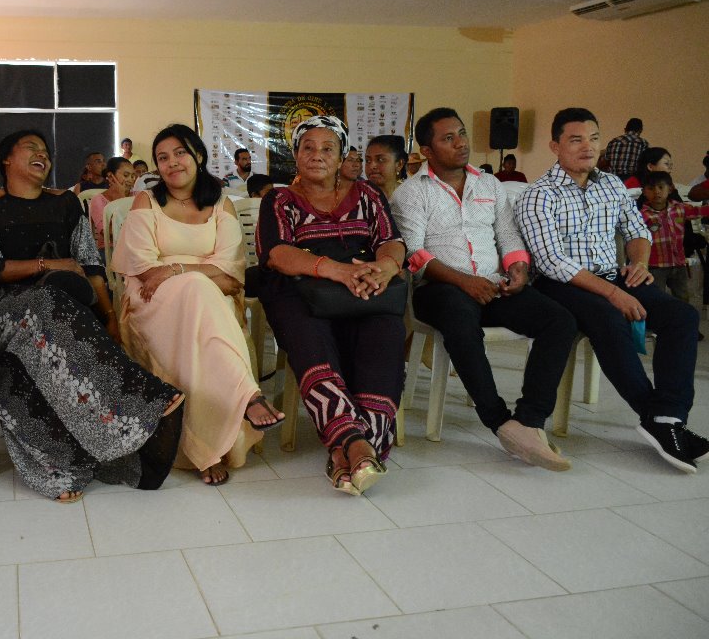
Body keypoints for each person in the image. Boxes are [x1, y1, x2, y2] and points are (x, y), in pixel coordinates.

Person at [0, 129, 185, 502]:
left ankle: (72, 463)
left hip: (64, 307)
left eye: (46, 151)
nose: (43, 155)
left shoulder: (66, 203)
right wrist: (47, 264)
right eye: (31, 148)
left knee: (42, 341)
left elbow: (89, 264)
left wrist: (109, 314)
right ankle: (140, 402)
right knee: (44, 306)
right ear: (6, 159)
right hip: (4, 308)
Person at [515, 108, 705, 473]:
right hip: (562, 285)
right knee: (608, 316)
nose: (587, 147)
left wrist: (640, 264)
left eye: (594, 138)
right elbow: (553, 262)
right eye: (576, 140)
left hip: (613, 276)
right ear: (555, 145)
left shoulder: (612, 185)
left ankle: (667, 417)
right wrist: (614, 294)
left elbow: (638, 231)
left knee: (682, 316)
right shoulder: (539, 195)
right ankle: (658, 418)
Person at [391, 108, 576, 471]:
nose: (461, 143)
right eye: (448, 138)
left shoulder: (488, 184)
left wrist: (517, 266)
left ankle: (529, 420)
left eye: (461, 133)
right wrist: (464, 281)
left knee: (560, 321)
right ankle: (499, 420)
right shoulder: (411, 193)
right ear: (426, 150)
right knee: (461, 322)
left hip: (493, 284)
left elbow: (506, 233)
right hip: (439, 288)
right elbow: (413, 254)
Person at [113, 124, 283, 486]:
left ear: (198, 156)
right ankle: (247, 395)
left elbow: (232, 275)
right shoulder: (147, 201)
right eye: (163, 157)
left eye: (180, 153)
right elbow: (143, 269)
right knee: (197, 287)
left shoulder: (221, 202)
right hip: (152, 303)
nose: (172, 162)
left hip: (209, 299)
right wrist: (198, 273)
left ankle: (205, 448)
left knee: (198, 294)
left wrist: (176, 268)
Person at [256, 115, 406, 496]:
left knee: (385, 336)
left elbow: (391, 240)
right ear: (295, 155)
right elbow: (277, 255)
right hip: (299, 290)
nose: (317, 155)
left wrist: (384, 268)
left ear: (342, 157)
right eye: (308, 147)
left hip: (362, 286)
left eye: (328, 148)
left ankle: (347, 452)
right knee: (311, 340)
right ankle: (356, 444)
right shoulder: (280, 199)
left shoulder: (368, 195)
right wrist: (336, 271)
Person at [639, 171, 709, 304]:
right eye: (651, 188)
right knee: (656, 298)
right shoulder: (641, 216)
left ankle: (680, 321)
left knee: (682, 297)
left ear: (670, 189)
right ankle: (658, 323)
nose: (657, 192)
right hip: (655, 265)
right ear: (644, 191)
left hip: (678, 264)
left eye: (661, 187)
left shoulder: (680, 209)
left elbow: (698, 211)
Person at [88, 156, 137, 256]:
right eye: (126, 175)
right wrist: (121, 199)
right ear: (110, 177)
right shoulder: (98, 200)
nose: (131, 180)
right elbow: (111, 234)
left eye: (133, 176)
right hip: (110, 250)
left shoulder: (138, 196)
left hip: (136, 247)